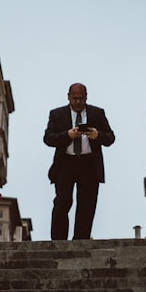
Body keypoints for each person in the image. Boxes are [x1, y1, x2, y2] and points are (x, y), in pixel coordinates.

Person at [43, 82, 116, 240]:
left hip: (89, 164)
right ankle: (58, 241)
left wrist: (97, 136)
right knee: (62, 202)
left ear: (86, 98)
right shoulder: (57, 114)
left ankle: (81, 240)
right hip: (65, 164)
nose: (77, 102)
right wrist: (67, 135)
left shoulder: (97, 113)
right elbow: (48, 139)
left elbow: (110, 138)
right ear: (68, 97)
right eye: (74, 98)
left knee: (87, 205)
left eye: (81, 99)